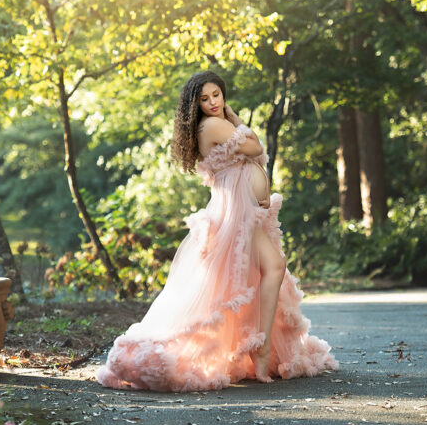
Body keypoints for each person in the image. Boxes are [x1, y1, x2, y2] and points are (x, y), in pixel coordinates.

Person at [96, 71, 338, 391]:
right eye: (205, 99)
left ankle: (260, 349)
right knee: (235, 282)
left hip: (242, 208)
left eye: (216, 96)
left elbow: (250, 153)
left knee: (267, 271)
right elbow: (253, 147)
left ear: (223, 94)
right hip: (234, 211)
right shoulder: (211, 125)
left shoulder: (220, 123)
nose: (212, 103)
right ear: (195, 105)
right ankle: (259, 351)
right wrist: (234, 120)